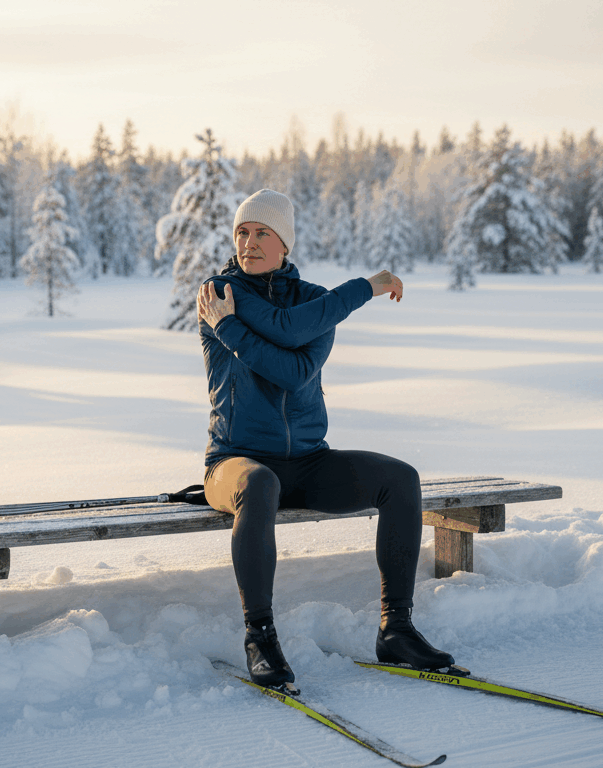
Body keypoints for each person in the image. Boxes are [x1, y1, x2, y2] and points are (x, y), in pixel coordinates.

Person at [196, 189, 455, 688]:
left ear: (284, 243)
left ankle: (396, 628)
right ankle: (260, 636)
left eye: (261, 232)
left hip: (307, 463)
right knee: (260, 484)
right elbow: (283, 332)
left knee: (400, 479)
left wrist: (234, 330)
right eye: (241, 232)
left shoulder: (315, 302)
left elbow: (293, 364)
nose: (248, 243)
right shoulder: (220, 293)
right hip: (234, 465)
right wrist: (363, 289)